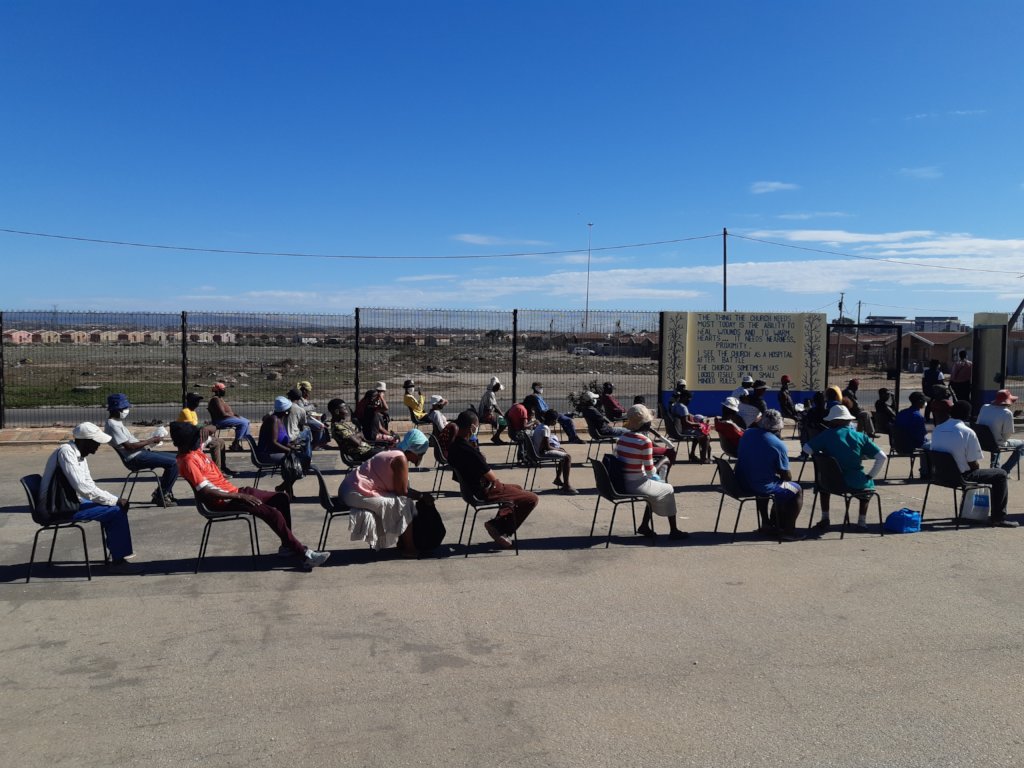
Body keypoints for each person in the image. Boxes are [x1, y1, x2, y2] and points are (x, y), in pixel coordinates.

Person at [170, 422, 330, 569]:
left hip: (233, 492)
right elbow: (206, 491)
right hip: (222, 501)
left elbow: (214, 427)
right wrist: (241, 497)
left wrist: (204, 429)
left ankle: (287, 547)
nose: (199, 440)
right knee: (272, 514)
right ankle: (305, 555)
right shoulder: (187, 461)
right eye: (196, 438)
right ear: (185, 443)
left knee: (281, 498)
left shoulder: (194, 449)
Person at [39, 422, 139, 574]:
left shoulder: (79, 455)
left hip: (67, 501)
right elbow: (82, 487)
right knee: (116, 510)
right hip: (55, 508)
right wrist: (114, 501)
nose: (98, 446)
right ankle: (119, 559)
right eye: (96, 442)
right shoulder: (67, 453)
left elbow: (89, 484)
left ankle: (118, 549)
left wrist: (113, 499)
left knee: (115, 503)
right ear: (84, 441)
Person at [447, 410, 539, 549]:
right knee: (531, 498)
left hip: (470, 489)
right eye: (476, 426)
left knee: (517, 489)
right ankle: (499, 528)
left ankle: (499, 522)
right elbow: (492, 477)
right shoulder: (469, 450)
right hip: (483, 490)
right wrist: (480, 457)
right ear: (472, 427)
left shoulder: (454, 445)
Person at [339, 429, 432, 555]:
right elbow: (402, 491)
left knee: (405, 502)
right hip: (354, 492)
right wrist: (422, 496)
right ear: (414, 450)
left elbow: (401, 489)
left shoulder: (396, 452)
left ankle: (403, 543)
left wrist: (420, 496)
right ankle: (409, 549)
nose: (421, 457)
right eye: (421, 453)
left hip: (352, 488)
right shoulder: (400, 459)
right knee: (403, 504)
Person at [931, 400, 1018, 528]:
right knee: (1001, 474)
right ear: (968, 415)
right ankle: (998, 518)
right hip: (960, 477)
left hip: (939, 476)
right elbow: (973, 463)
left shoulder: (937, 429)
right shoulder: (967, 432)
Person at [802, 404, 886, 532]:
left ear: (834, 421)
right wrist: (870, 476)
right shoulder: (860, 436)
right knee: (867, 490)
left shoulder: (826, 435)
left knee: (823, 489)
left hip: (829, 482)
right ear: (847, 420)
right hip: (854, 482)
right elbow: (882, 457)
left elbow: (806, 449)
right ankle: (861, 522)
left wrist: (821, 453)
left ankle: (825, 518)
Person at [612, 404, 687, 540]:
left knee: (656, 488)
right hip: (636, 484)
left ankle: (644, 525)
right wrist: (663, 461)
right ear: (645, 423)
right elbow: (650, 472)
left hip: (621, 482)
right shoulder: (644, 441)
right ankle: (674, 530)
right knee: (668, 489)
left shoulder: (623, 437)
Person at [736, 410, 804, 540]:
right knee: (796, 489)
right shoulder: (778, 445)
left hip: (740, 481)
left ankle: (766, 522)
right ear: (779, 427)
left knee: (770, 481)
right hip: (760, 485)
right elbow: (787, 477)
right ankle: (789, 531)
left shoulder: (748, 433)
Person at [104, 393, 179, 507]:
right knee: (174, 463)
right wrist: (151, 440)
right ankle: (161, 495)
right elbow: (129, 446)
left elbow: (132, 443)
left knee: (178, 459)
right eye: (124, 408)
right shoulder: (113, 425)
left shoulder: (116, 423)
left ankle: (163, 491)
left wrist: (151, 441)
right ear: (115, 409)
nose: (126, 410)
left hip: (140, 453)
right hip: (134, 458)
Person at [257, 396, 305, 498]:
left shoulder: (280, 419)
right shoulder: (273, 420)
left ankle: (283, 487)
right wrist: (289, 450)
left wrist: (293, 448)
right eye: (289, 409)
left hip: (275, 451)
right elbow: (273, 442)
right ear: (286, 411)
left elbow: (282, 441)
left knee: (300, 460)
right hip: (266, 454)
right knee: (294, 462)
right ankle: (286, 489)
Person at [177, 392, 235, 477]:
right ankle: (217, 471)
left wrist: (206, 426)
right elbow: (195, 427)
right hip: (190, 439)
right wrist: (207, 427)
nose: (197, 403)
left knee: (221, 442)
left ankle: (223, 467)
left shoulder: (192, 412)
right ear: (189, 401)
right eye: (195, 401)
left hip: (196, 436)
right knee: (215, 444)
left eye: (198, 401)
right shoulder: (186, 412)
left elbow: (197, 426)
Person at [976, 390, 1024, 476]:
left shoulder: (984, 407)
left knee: (995, 437)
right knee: (1022, 444)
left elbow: (978, 423)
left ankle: (995, 467)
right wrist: (1000, 440)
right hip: (995, 443)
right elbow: (1007, 434)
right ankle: (1005, 470)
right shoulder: (1007, 413)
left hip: (981, 441)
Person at [532, 409, 578, 494]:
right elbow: (547, 447)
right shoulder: (546, 429)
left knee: (563, 455)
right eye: (556, 420)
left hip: (537, 450)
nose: (556, 422)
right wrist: (558, 449)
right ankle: (566, 485)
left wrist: (558, 450)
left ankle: (558, 479)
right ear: (552, 420)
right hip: (541, 453)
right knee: (567, 457)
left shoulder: (540, 426)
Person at [668, 388, 711, 463]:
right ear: (685, 397)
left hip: (676, 429)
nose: (689, 400)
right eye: (689, 399)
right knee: (704, 435)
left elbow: (685, 417)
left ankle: (692, 454)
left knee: (698, 433)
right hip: (683, 430)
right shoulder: (683, 407)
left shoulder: (676, 405)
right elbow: (686, 422)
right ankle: (703, 459)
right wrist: (699, 424)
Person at [208, 382, 250, 452]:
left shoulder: (220, 399)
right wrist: (233, 416)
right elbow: (223, 414)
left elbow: (226, 412)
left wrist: (235, 415)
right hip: (220, 421)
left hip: (227, 418)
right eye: (223, 389)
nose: (224, 390)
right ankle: (236, 443)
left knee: (247, 421)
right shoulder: (215, 399)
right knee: (243, 423)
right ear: (217, 391)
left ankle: (238, 441)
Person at [284, 388, 314, 468]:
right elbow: (303, 424)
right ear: (299, 398)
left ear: (289, 397)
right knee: (307, 432)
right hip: (292, 437)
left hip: (281, 436)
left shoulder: (282, 407)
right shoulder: (301, 410)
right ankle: (308, 458)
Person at [295, 380, 330, 448]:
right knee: (320, 426)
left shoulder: (303, 398)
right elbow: (301, 410)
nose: (309, 393)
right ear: (304, 391)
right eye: (308, 391)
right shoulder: (299, 399)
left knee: (322, 423)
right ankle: (315, 445)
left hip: (307, 417)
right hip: (302, 419)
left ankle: (321, 443)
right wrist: (312, 406)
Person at [478, 376, 508, 444]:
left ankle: (496, 437)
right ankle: (496, 437)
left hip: (486, 414)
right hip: (485, 416)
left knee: (501, 419)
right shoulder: (490, 393)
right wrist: (502, 414)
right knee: (504, 422)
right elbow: (495, 406)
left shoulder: (489, 392)